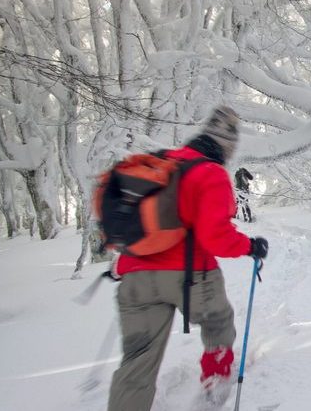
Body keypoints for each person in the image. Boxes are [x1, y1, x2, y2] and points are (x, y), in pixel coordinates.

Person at [107, 105, 269, 410]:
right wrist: (249, 246)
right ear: (227, 146)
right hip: (191, 276)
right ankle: (216, 380)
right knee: (219, 321)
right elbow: (215, 236)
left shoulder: (160, 162)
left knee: (138, 357)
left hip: (135, 276)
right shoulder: (210, 173)